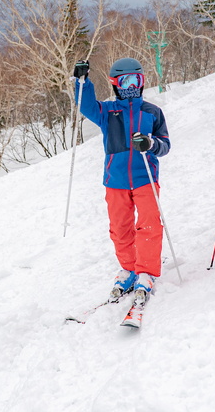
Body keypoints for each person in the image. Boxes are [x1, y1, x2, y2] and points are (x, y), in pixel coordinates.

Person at [72, 57, 171, 307]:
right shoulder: (108, 112)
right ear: (115, 84)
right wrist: (82, 82)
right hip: (115, 181)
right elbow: (86, 107)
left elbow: (165, 145)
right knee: (120, 228)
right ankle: (130, 269)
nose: (130, 87)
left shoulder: (152, 112)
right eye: (125, 81)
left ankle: (146, 272)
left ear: (142, 81)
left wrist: (150, 145)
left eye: (135, 80)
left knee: (149, 226)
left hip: (145, 178)